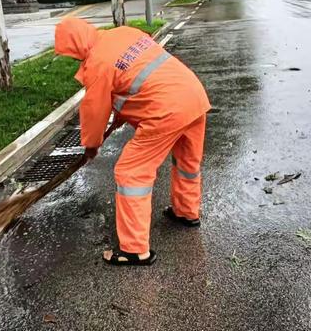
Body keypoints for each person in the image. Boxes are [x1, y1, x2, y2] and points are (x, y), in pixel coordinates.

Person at [55, 18, 210, 266]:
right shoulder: (123, 33)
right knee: (186, 162)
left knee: (131, 173)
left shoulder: (97, 64)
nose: (73, 59)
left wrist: (92, 144)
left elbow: (94, 111)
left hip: (166, 111)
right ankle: (186, 212)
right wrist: (118, 119)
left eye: (70, 54)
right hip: (193, 95)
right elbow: (135, 79)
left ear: (75, 47)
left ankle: (135, 250)